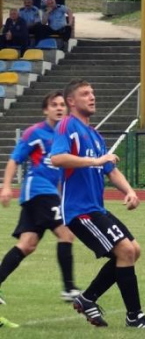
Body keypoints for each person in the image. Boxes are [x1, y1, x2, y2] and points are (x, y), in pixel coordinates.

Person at [50, 79, 145, 329]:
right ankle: (135, 316)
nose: (92, 97)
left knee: (133, 250)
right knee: (126, 251)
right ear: (72, 101)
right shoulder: (68, 125)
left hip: (96, 208)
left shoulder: (95, 135)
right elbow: (57, 158)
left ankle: (87, 298)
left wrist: (129, 191)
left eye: (93, 92)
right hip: (79, 210)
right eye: (86, 94)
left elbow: (111, 169)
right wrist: (95, 161)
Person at [0, 92, 80, 305]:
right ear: (45, 110)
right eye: (54, 105)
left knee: (27, 244)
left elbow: (64, 170)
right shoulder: (34, 133)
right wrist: (6, 186)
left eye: (62, 105)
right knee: (66, 233)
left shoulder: (65, 136)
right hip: (38, 190)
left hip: (48, 193)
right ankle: (69, 288)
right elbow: (14, 159)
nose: (59, 108)